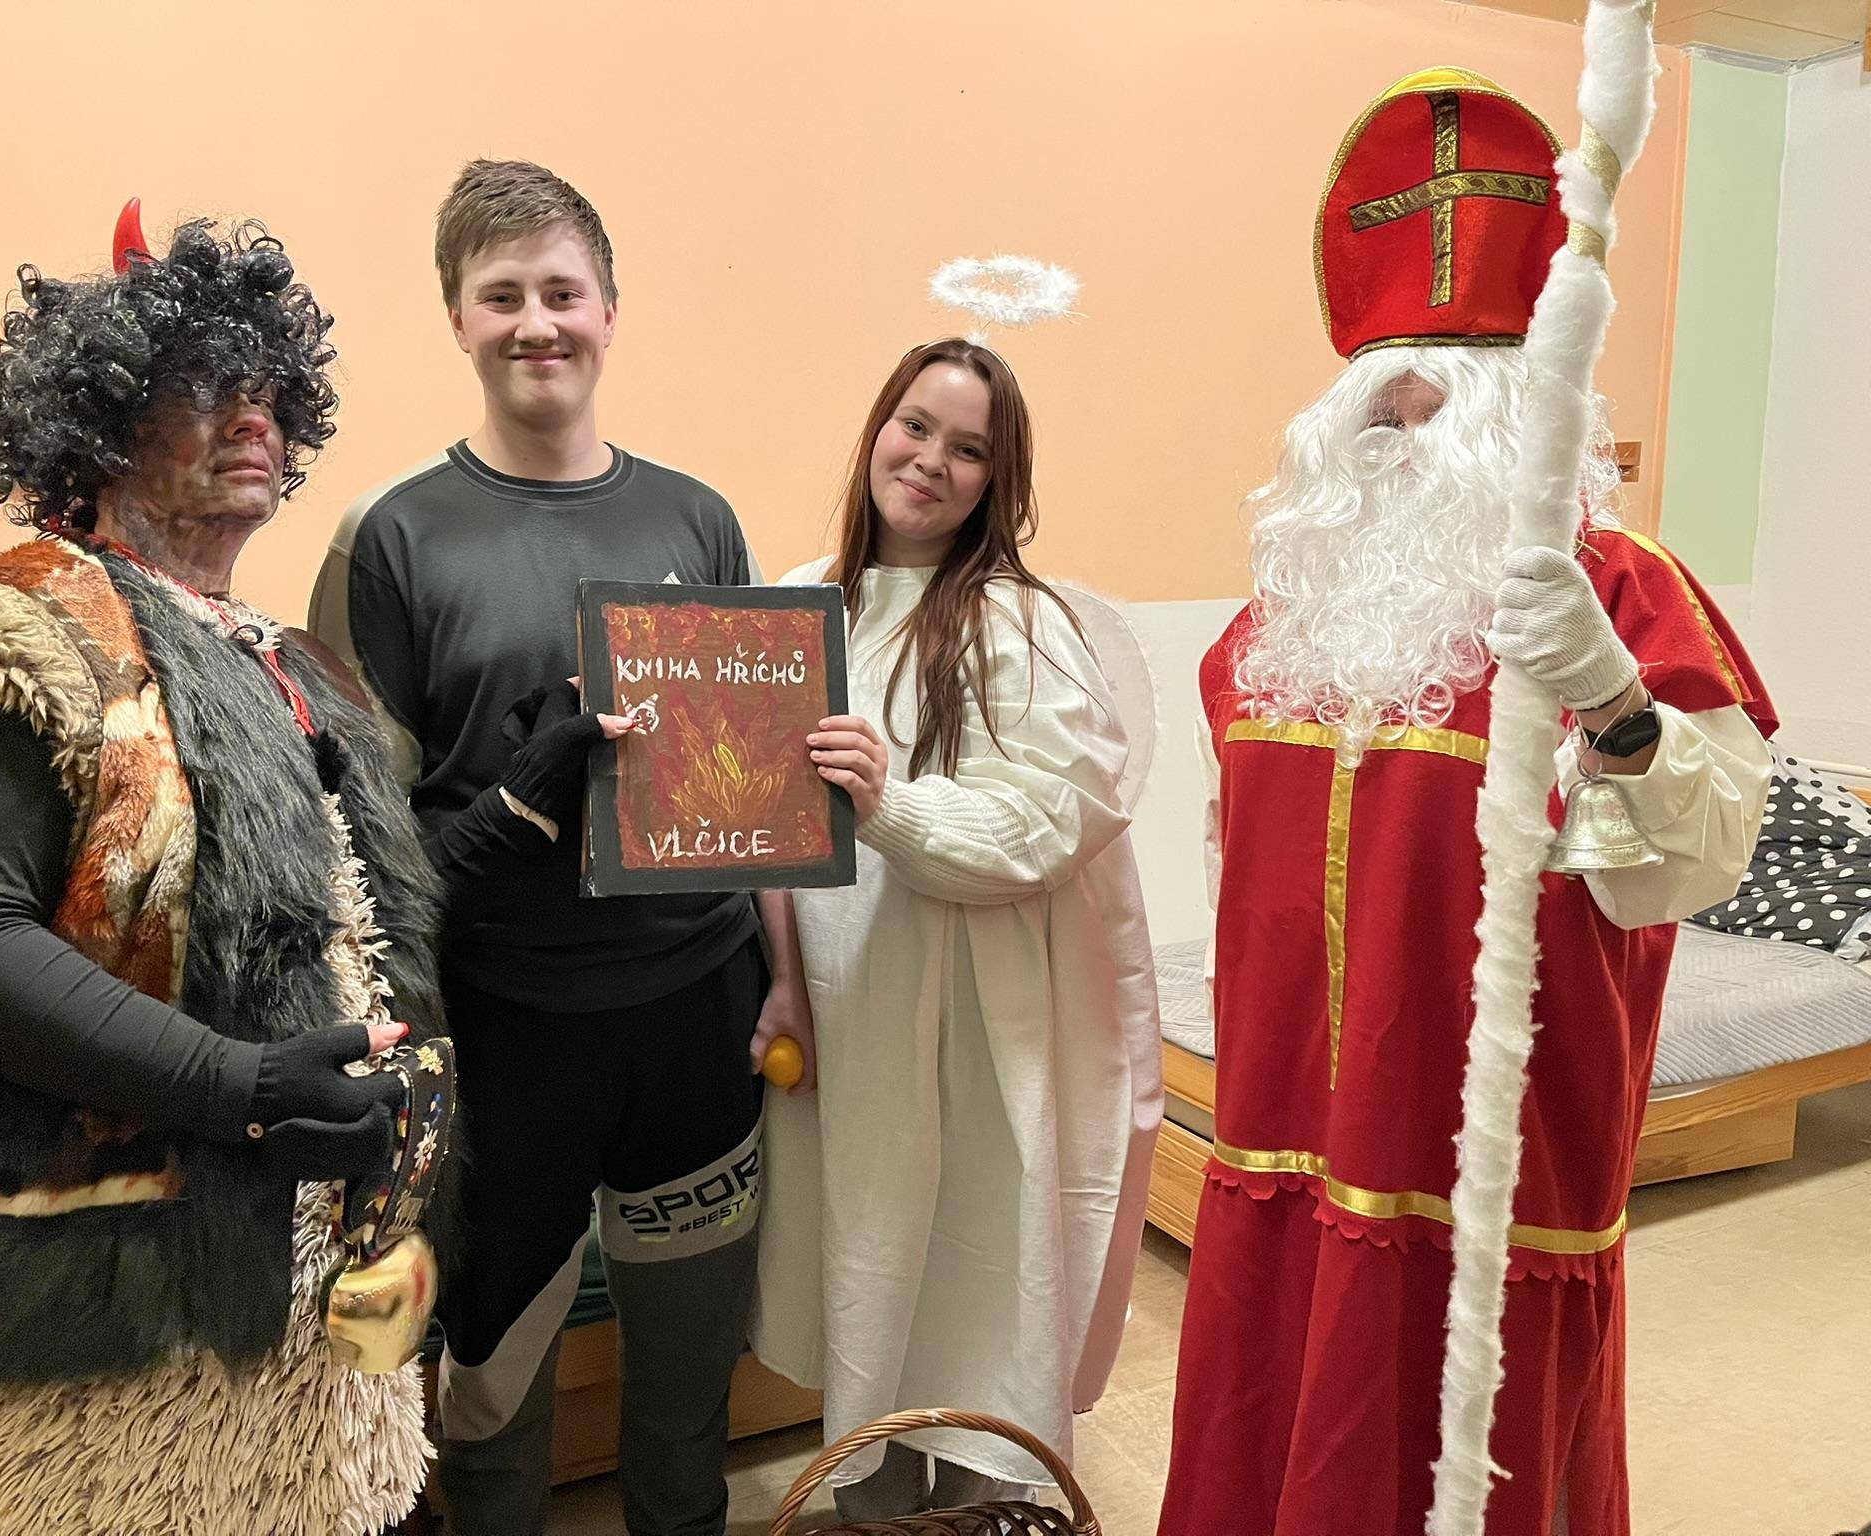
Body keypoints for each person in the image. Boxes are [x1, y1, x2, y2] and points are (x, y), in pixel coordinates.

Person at [1156, 69, 1775, 1535]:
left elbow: (1700, 861)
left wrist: (1614, 699)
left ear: (1517, 411)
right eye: (1376, 388)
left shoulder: (1621, 591)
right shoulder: (1272, 629)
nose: (1400, 409)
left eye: (1436, 379)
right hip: (1282, 1130)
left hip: (1490, 1158)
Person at [0, 217, 446, 1534]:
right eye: (204, 386)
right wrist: (243, 1091)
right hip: (69, 1325)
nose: (253, 418)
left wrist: (521, 801)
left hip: (302, 1314)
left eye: (271, 392)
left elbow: (349, 923)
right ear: (99, 419)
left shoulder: (292, 662)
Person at [309, 159, 788, 1536]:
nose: (537, 323)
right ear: (457, 318)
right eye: (502, 295)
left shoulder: (698, 518)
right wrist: (510, 814)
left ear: (610, 313)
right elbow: (355, 841)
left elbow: (755, 791)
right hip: (504, 1033)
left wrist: (787, 977)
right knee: (491, 1398)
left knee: (687, 1383)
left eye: (563, 293)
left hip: (695, 1019)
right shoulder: (389, 535)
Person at [749, 339, 1162, 1520]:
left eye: (967, 448)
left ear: (997, 478)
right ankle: (879, 1510)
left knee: (977, 1286)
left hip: (979, 1029)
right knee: (873, 1277)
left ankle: (985, 1511)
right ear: (878, 428)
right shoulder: (800, 601)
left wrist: (890, 805)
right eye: (915, 426)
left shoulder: (1014, 621)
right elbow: (755, 822)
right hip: (847, 1017)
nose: (930, 460)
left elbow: (1054, 818)